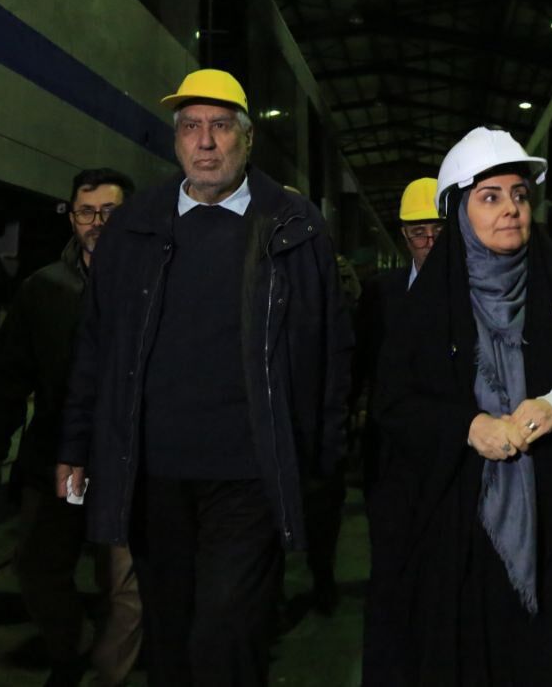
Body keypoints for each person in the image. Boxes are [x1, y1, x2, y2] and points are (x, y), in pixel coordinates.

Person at [57, 69, 352, 687]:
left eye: (220, 126)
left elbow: (329, 349)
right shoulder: (135, 225)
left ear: (247, 138)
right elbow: (97, 346)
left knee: (227, 632)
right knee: (168, 633)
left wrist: (322, 461)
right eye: (191, 127)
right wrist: (76, 444)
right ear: (176, 140)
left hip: (251, 474)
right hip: (154, 476)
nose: (206, 142)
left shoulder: (292, 225)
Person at [373, 126, 552, 685]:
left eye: (519, 195)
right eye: (490, 197)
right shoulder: (424, 311)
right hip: (458, 537)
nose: (511, 209)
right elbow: (393, 407)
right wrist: (466, 426)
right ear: (460, 214)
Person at [0, 167, 141, 687]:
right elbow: (10, 376)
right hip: (57, 463)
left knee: (122, 578)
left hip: (129, 463)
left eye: (110, 212)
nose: (97, 222)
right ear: (71, 217)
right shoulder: (44, 289)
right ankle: (69, 649)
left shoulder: (155, 285)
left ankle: (110, 672)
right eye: (86, 212)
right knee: (38, 566)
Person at [356, 177, 443, 684]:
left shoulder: (476, 291)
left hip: (451, 460)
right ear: (404, 234)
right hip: (390, 465)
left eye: (437, 231)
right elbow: (359, 367)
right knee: (389, 578)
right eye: (418, 232)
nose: (428, 241)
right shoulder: (380, 295)